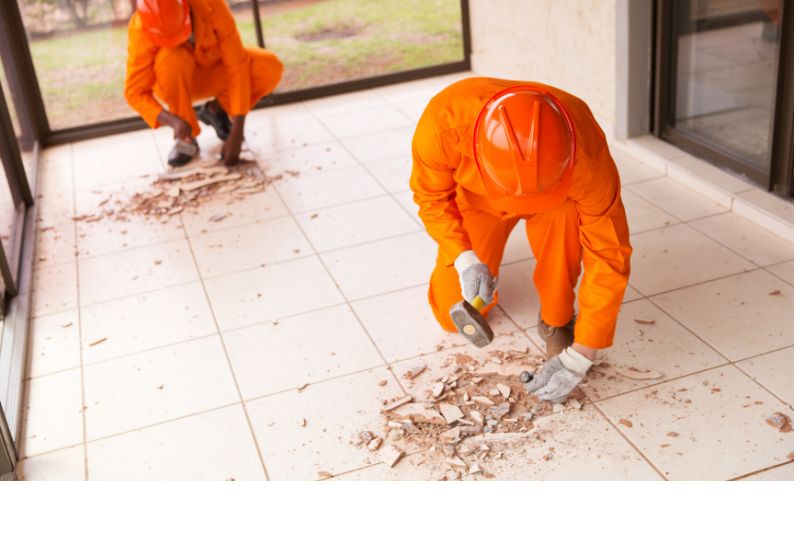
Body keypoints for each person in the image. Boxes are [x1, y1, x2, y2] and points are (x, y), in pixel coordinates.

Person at [410, 77, 632, 403]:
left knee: (566, 217)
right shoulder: (444, 122)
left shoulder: (587, 155)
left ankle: (556, 320)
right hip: (478, 201)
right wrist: (464, 258)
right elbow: (431, 198)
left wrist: (582, 354)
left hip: (554, 205)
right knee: (449, 313)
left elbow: (609, 251)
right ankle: (478, 264)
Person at [124, 0, 283, 166]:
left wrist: (238, 129)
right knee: (171, 57)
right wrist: (173, 121)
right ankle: (186, 138)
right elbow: (134, 92)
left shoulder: (211, 5)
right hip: (174, 81)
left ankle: (216, 110)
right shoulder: (140, 26)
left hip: (213, 72)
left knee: (268, 67)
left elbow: (237, 65)